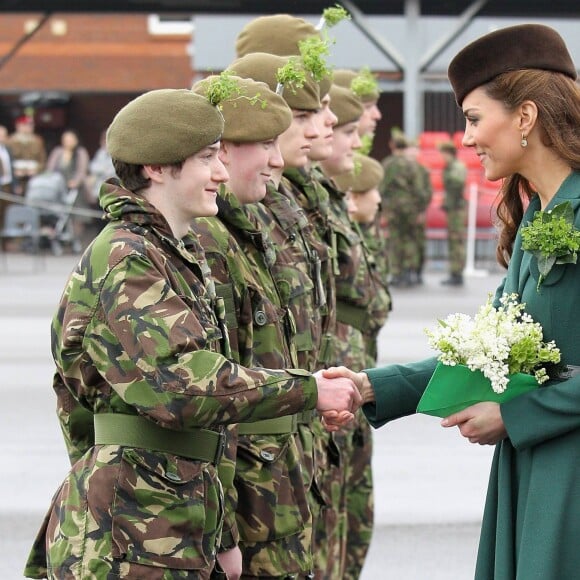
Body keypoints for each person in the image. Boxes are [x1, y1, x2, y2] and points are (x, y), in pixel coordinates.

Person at [23, 88, 360, 580]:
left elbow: (207, 428)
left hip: (170, 518)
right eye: (206, 159)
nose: (220, 173)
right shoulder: (127, 259)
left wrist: (221, 533)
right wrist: (308, 390)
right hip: (129, 529)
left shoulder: (172, 254)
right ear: (157, 168)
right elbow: (182, 388)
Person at [323, 23, 580, 580]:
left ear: (526, 117)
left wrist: (517, 413)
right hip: (537, 464)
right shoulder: (538, 215)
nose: (466, 139)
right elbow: (494, 350)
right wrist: (374, 385)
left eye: (473, 118)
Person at [379, 130, 426, 287]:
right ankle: (409, 271)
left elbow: (382, 188)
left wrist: (383, 209)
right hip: (409, 207)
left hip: (392, 208)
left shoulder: (386, 164)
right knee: (410, 239)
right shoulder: (411, 165)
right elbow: (419, 189)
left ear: (392, 145)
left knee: (394, 239)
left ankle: (396, 272)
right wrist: (420, 209)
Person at [46, 129, 90, 250]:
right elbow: (50, 169)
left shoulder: (81, 152)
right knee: (59, 214)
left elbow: (82, 170)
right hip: (59, 187)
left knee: (77, 215)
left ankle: (77, 240)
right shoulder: (57, 152)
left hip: (76, 190)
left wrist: (76, 181)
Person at [438, 140, 467, 286]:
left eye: (443, 154)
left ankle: (457, 272)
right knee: (453, 240)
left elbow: (457, 183)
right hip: (452, 208)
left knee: (456, 241)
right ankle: (454, 271)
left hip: (457, 208)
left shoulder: (456, 167)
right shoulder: (450, 167)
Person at [7, 114, 46, 195]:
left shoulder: (38, 141)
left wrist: (37, 169)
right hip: (16, 178)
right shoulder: (10, 141)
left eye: (30, 126)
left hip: (34, 178)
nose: (27, 128)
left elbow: (43, 160)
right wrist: (14, 172)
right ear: (18, 126)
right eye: (24, 125)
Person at [0, 124, 14, 226]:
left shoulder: (8, 150)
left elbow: (11, 167)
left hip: (7, 186)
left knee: (7, 214)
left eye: (4, 135)